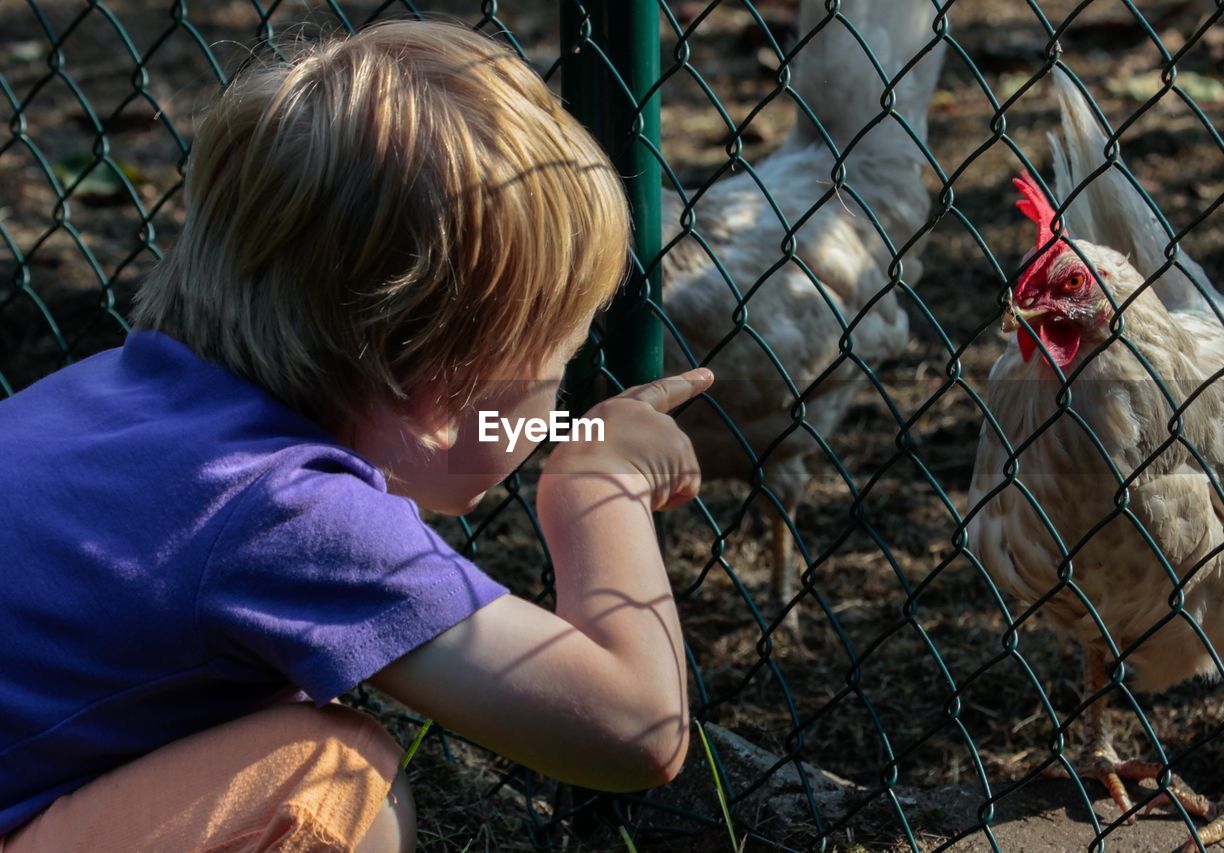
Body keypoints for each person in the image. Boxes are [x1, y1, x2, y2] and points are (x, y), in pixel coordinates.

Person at [0, 20, 708, 852]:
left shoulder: (101, 398)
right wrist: (598, 487)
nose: (562, 399)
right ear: (437, 380)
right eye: (558, 363)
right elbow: (635, 731)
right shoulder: (285, 512)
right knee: (333, 781)